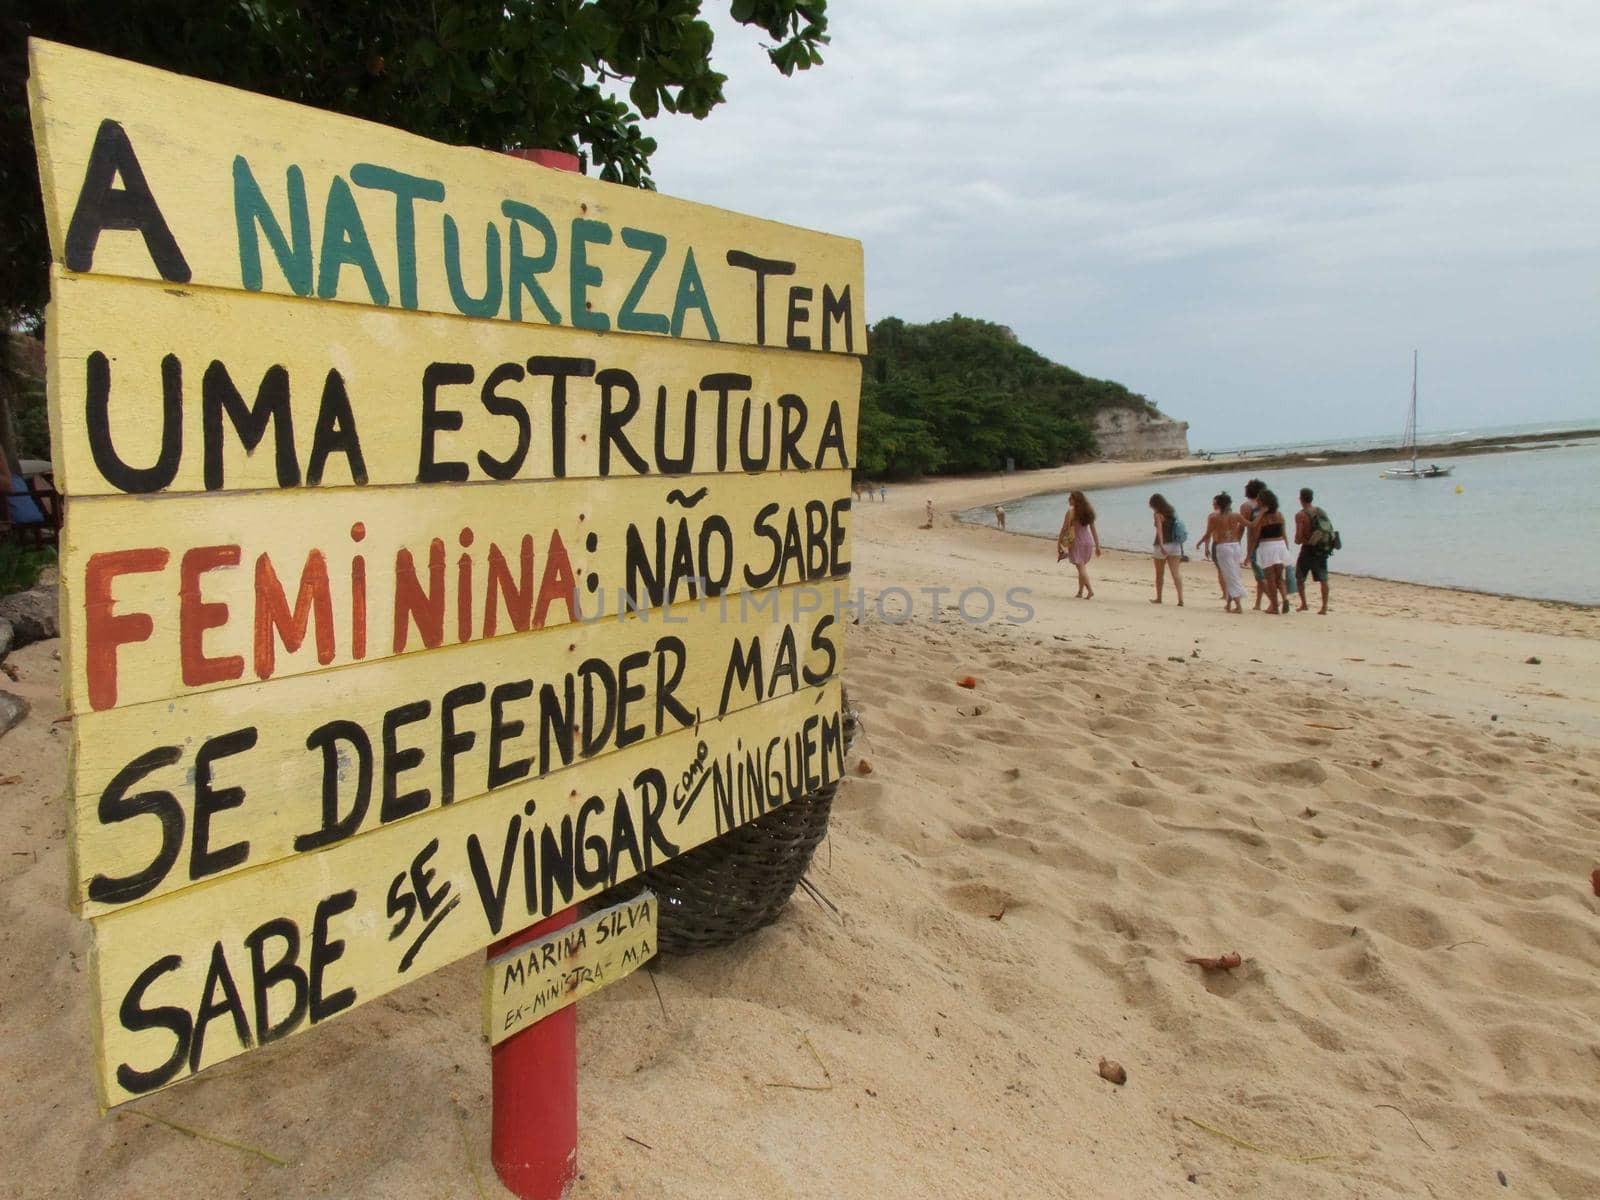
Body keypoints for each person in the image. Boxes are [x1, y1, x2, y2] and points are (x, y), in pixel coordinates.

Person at [1248, 488, 1294, 613]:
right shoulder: (1279, 515)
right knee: (1279, 577)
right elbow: (1284, 534)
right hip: (1280, 545)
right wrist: (1287, 549)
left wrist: (1249, 553)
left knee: (1270, 579)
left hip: (1267, 547)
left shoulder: (1261, 517)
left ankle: (1274, 606)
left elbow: (1255, 534)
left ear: (1263, 502)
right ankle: (1284, 598)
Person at [1200, 491, 1248, 613]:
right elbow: (1250, 525)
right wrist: (1262, 514)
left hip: (1223, 546)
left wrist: (1201, 543)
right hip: (1235, 545)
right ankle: (1229, 603)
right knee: (1234, 573)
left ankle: (1238, 606)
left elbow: (1208, 533)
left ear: (1218, 504)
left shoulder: (1214, 517)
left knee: (1229, 575)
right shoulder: (1236, 515)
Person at [1056, 490, 1101, 599]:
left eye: (1071, 498)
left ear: (1076, 500)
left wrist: (1059, 543)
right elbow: (1093, 530)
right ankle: (1080, 592)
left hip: (1077, 542)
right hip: (1088, 542)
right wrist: (1097, 546)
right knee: (1081, 567)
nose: (1068, 500)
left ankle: (1090, 590)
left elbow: (1064, 529)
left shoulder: (1070, 512)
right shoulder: (1088, 512)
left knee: (1081, 568)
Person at [1294, 487, 1332, 614]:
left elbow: (1298, 537)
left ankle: (1304, 604)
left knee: (1300, 577)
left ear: (1301, 499)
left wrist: (1297, 540)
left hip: (1307, 549)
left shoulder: (1300, 515)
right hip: (1322, 549)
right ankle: (1324, 607)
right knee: (1323, 579)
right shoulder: (1320, 511)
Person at [1148, 493, 1184, 606]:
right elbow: (1179, 530)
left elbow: (1159, 529)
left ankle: (1159, 598)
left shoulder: (1158, 514)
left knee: (1159, 573)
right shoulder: (1172, 512)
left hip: (1162, 546)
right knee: (1176, 573)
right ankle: (1180, 599)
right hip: (1175, 545)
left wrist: (1162, 545)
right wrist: (1181, 547)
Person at [1239, 478, 1268, 611]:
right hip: (1270, 541)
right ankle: (1258, 603)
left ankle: (1274, 600)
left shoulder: (1246, 506)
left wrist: (1236, 542)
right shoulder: (1267, 505)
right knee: (1263, 575)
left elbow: (1242, 527)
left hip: (1255, 543)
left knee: (1260, 575)